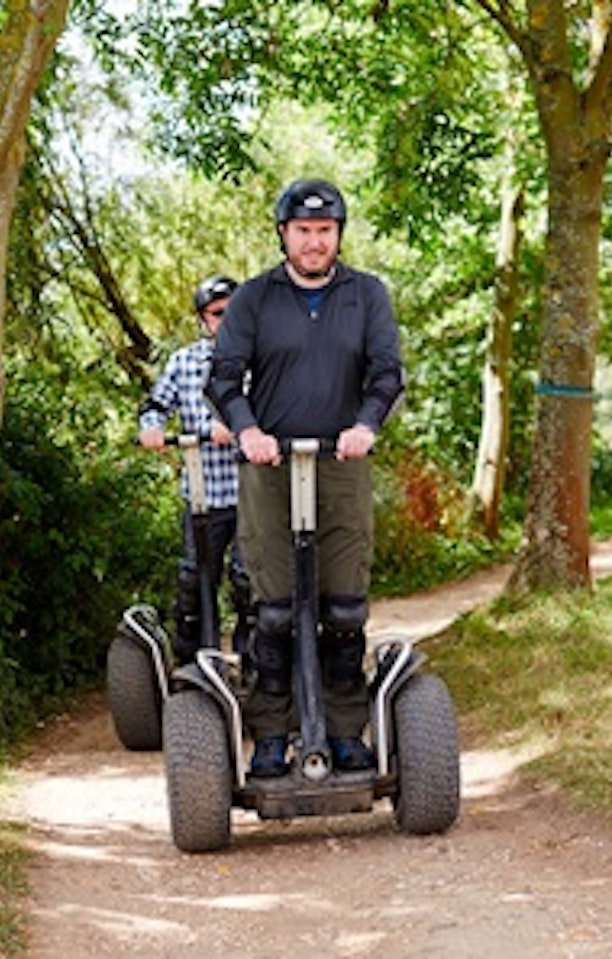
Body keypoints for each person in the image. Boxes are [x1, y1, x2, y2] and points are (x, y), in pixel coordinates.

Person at [205, 178, 405, 778]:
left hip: (342, 465)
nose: (315, 242)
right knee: (275, 611)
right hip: (269, 468)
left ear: (338, 235)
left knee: (344, 608)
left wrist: (367, 424)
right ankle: (271, 734)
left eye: (325, 231)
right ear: (284, 235)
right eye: (304, 231)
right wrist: (247, 431)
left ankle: (345, 730)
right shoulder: (255, 300)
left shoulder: (366, 295)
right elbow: (223, 378)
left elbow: (387, 373)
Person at [138, 275, 253, 665]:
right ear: (204, 319)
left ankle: (257, 668)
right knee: (195, 579)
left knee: (249, 582)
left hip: (254, 494)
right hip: (205, 493)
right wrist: (152, 428)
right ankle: (194, 665)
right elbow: (155, 405)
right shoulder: (184, 363)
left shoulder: (264, 361)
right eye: (219, 314)